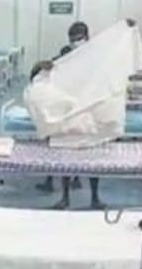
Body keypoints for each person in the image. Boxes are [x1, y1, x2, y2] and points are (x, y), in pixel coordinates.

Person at [40, 21, 102, 209]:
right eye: (73, 39)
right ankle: (65, 196)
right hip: (68, 109)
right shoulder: (65, 54)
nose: (76, 42)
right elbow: (53, 70)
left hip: (89, 109)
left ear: (87, 37)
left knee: (92, 156)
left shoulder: (95, 55)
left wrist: (128, 28)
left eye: (79, 38)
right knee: (66, 153)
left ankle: (95, 197)